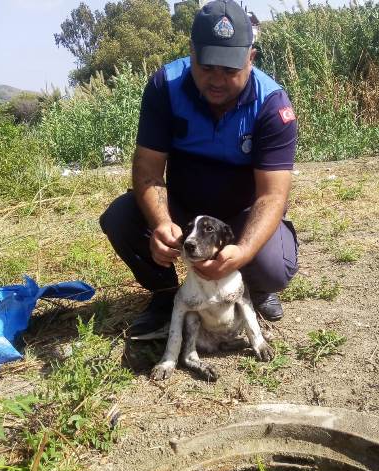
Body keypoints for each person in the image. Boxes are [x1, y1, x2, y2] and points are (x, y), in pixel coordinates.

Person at [100, 0, 298, 340]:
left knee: (271, 266)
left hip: (241, 213)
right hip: (184, 211)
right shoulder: (165, 87)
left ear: (251, 58)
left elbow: (271, 195)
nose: (217, 80)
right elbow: (147, 172)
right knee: (119, 218)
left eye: (230, 69)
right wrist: (162, 224)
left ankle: (254, 287)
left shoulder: (271, 104)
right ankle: (165, 296)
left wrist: (244, 251)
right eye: (207, 67)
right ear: (191, 51)